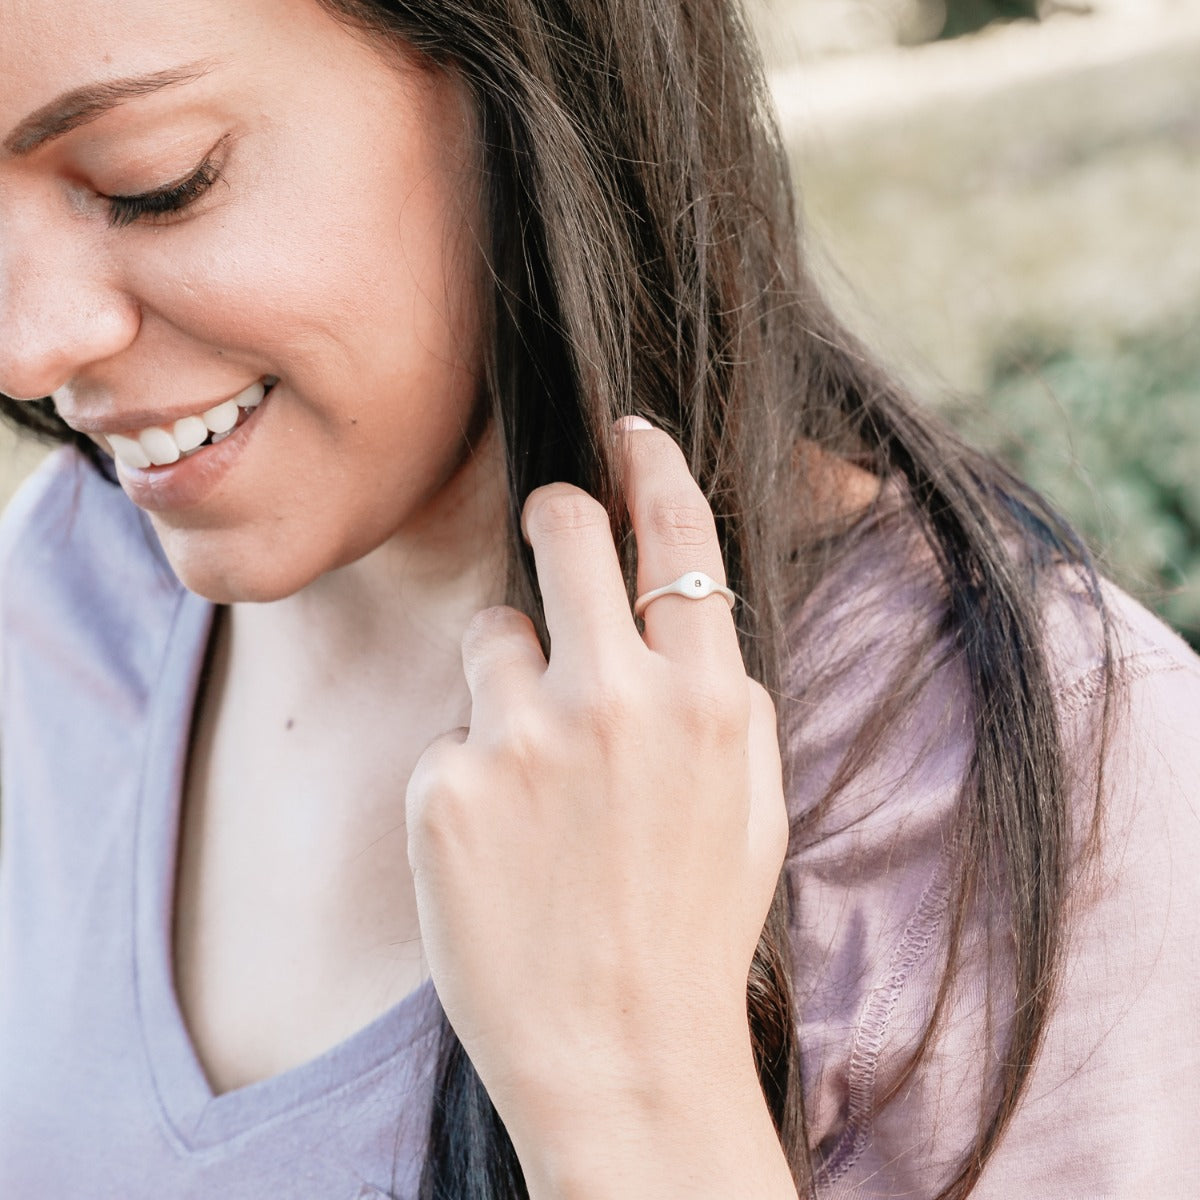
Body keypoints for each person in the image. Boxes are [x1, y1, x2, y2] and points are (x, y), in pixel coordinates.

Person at [0, 0, 1196, 1197]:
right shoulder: (64, 592)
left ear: (519, 59)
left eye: (150, 182)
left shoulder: (1042, 786)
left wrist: (639, 1104)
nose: (27, 351)